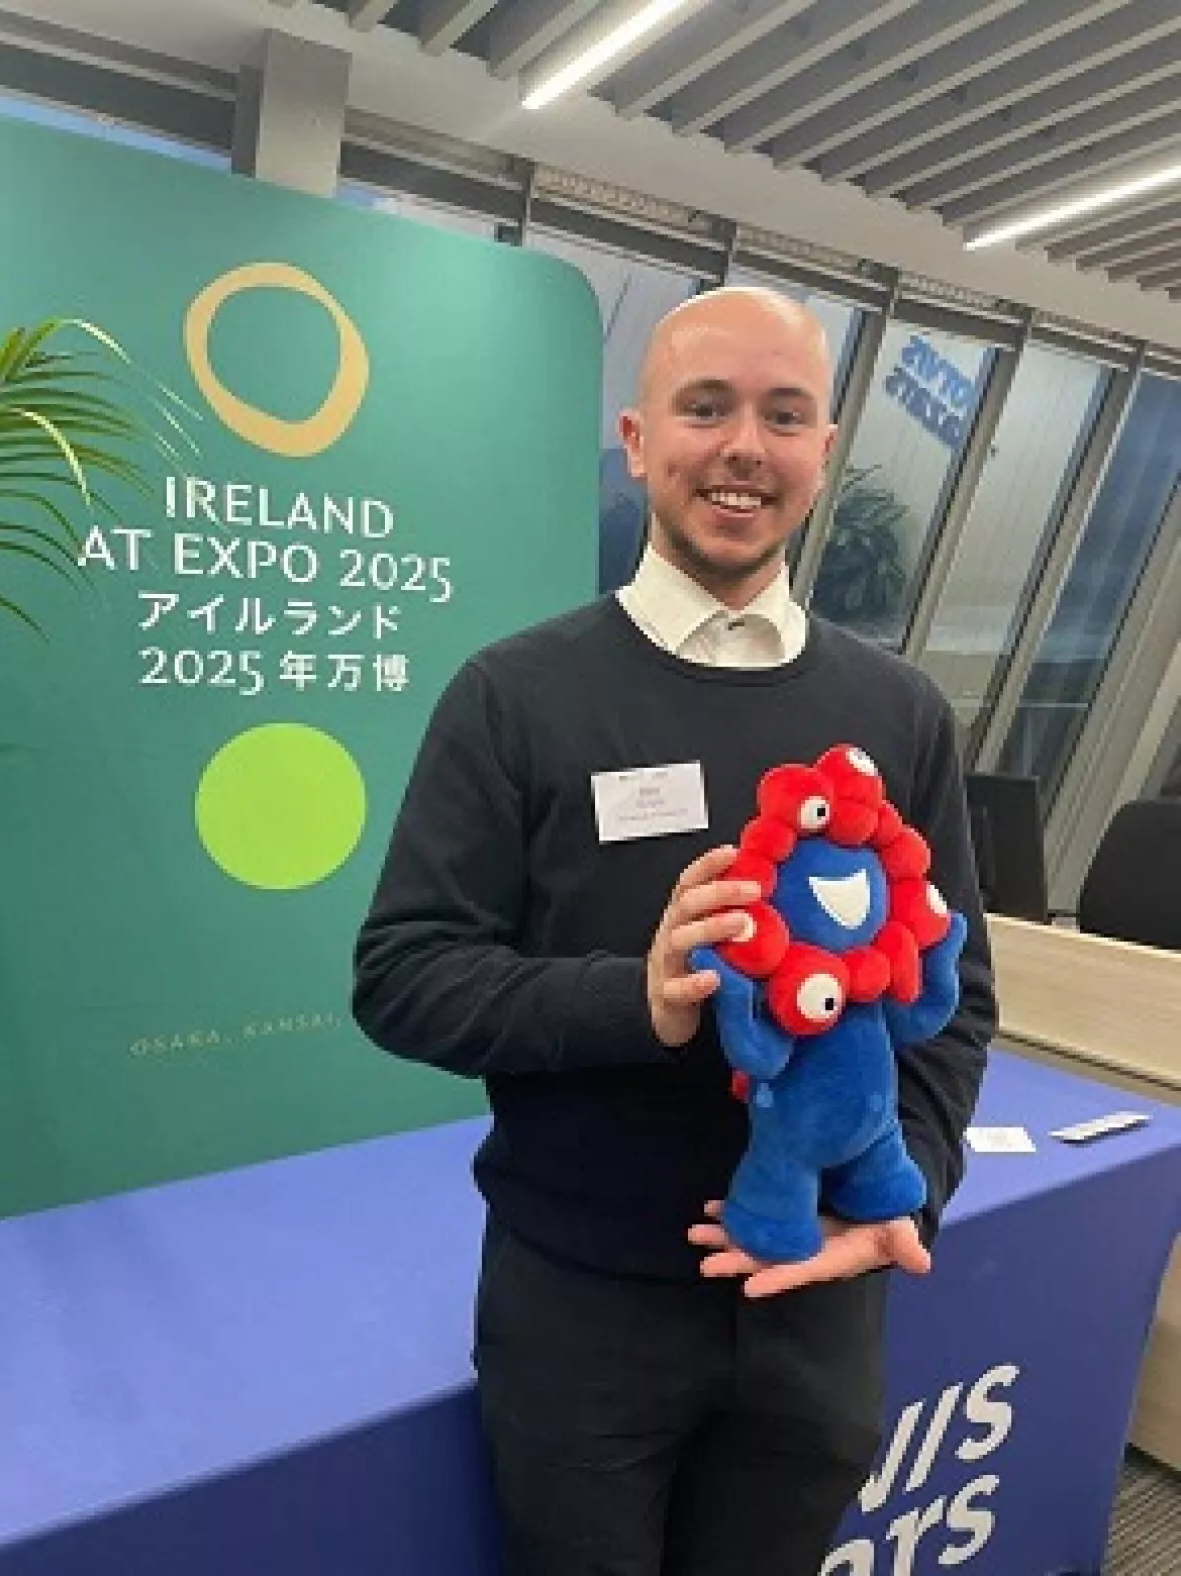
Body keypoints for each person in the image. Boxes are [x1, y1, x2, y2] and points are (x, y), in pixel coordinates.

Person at [352, 287, 996, 1576]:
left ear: (823, 450)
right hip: (584, 1308)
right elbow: (405, 976)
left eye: (783, 414)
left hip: (820, 1309)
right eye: (706, 408)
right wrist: (636, 1000)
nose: (743, 446)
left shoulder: (901, 712)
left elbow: (953, 999)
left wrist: (901, 1186)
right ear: (640, 441)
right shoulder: (516, 696)